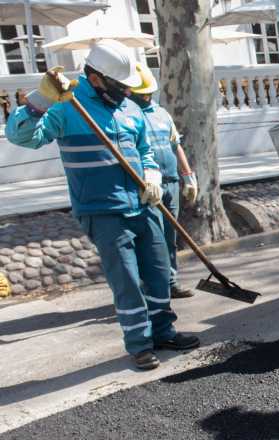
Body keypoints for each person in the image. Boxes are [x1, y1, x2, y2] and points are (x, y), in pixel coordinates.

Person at [4, 40, 199, 371]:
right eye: (119, 85)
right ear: (95, 79)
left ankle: (164, 331)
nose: (126, 91)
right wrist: (40, 100)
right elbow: (22, 136)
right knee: (126, 280)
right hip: (102, 211)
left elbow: (146, 150)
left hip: (144, 205)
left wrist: (151, 174)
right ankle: (139, 343)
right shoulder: (67, 108)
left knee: (157, 272)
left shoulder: (131, 109)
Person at [129, 64, 199, 300]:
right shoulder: (128, 117)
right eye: (142, 94)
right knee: (153, 240)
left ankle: (170, 283)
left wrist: (188, 176)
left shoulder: (162, 113)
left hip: (171, 184)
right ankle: (152, 287)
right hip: (148, 188)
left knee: (169, 237)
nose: (146, 97)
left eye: (149, 92)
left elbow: (175, 145)